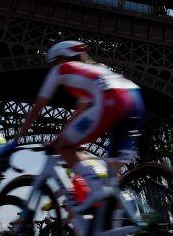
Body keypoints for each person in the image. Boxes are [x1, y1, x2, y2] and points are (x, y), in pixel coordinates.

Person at [8, 41, 144, 212]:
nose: (53, 66)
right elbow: (79, 113)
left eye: (53, 62)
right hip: (134, 98)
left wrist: (20, 135)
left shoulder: (60, 69)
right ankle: (129, 215)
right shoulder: (95, 71)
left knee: (66, 146)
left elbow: (38, 106)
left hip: (112, 99)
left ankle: (94, 185)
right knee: (112, 175)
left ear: (59, 58)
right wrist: (62, 136)